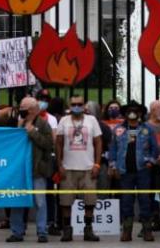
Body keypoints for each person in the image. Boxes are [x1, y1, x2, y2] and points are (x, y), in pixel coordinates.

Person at [109, 100, 159, 242]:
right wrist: (113, 166)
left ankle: (147, 230)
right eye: (130, 110)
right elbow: (113, 149)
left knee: (145, 200)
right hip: (125, 172)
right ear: (125, 113)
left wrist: (151, 161)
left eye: (135, 110)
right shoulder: (118, 129)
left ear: (140, 113)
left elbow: (154, 149)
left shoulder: (147, 129)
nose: (132, 113)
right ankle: (127, 231)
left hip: (143, 170)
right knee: (126, 201)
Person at [55, 94, 102, 242]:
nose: (77, 107)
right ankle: (67, 231)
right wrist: (59, 165)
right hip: (68, 168)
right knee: (66, 202)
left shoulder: (91, 120)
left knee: (90, 201)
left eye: (79, 104)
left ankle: (88, 230)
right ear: (69, 106)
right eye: (74, 104)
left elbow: (98, 142)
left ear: (84, 106)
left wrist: (97, 164)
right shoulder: (64, 120)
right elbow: (58, 143)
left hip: (88, 167)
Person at [7, 96, 54, 243]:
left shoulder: (44, 124)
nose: (21, 112)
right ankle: (17, 232)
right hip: (20, 170)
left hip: (37, 170)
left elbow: (48, 144)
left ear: (33, 110)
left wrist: (32, 131)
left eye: (24, 110)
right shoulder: (18, 124)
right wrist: (19, 128)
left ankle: (42, 232)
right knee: (17, 202)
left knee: (40, 203)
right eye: (20, 109)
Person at [146, 100, 160, 234]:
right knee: (150, 193)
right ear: (152, 110)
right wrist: (152, 159)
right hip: (151, 165)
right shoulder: (145, 127)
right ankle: (153, 219)